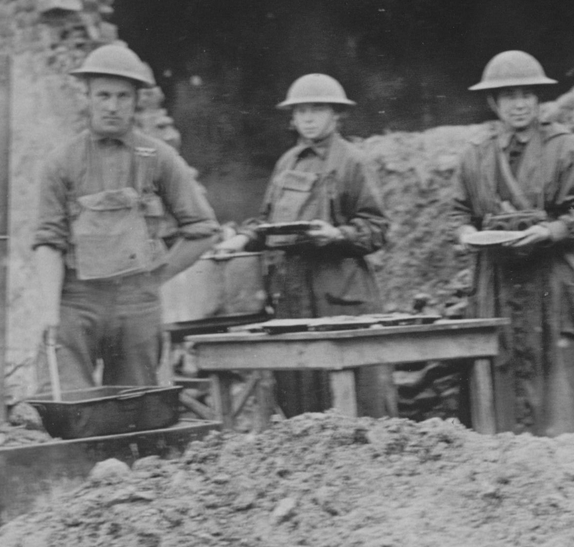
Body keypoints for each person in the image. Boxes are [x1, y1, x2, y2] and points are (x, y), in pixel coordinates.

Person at [450, 50, 574, 437]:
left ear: (538, 100)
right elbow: (458, 212)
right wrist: (465, 234)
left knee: (563, 386)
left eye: (527, 95)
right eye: (509, 96)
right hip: (496, 282)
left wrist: (551, 231)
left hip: (550, 281)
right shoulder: (475, 156)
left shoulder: (562, 147)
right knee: (500, 369)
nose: (519, 105)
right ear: (493, 103)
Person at [34, 43, 220, 391]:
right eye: (103, 95)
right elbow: (48, 240)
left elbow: (204, 229)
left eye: (123, 96)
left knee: (136, 407)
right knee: (71, 406)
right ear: (86, 96)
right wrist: (49, 311)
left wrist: (157, 276)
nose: (112, 106)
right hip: (77, 299)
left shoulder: (159, 158)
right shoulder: (61, 162)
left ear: (136, 100)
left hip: (137, 300)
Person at [214, 74, 395, 418]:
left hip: (339, 294)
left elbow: (378, 228)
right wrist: (242, 239)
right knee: (299, 390)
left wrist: (338, 235)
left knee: (354, 394)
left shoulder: (353, 161)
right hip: (293, 293)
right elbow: (266, 222)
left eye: (318, 109)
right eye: (301, 111)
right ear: (292, 118)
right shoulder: (287, 164)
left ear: (336, 114)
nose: (309, 118)